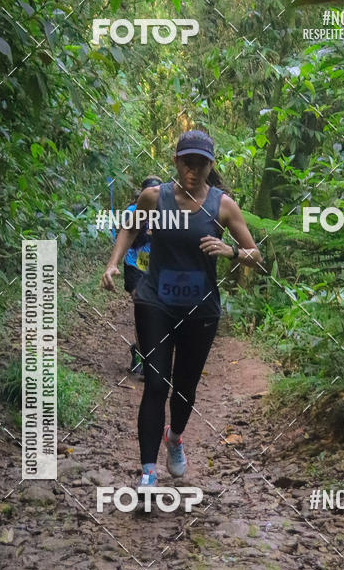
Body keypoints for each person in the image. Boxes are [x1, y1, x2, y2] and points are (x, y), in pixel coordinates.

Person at [101, 130, 263, 488]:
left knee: (185, 387)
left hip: (200, 310)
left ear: (210, 166)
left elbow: (260, 259)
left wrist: (232, 252)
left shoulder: (223, 206)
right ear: (175, 162)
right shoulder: (154, 198)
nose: (193, 170)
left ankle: (174, 437)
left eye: (200, 164)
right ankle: (147, 473)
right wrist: (113, 263)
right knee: (156, 383)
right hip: (154, 301)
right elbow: (129, 228)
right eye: (187, 162)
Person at [117, 175, 162, 373]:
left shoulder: (166, 213)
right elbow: (126, 238)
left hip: (156, 267)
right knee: (142, 308)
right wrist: (146, 229)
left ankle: (144, 351)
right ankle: (144, 359)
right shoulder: (131, 212)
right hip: (134, 264)